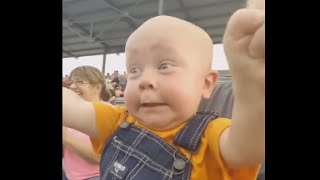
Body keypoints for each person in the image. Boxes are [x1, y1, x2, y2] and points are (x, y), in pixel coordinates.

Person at [63, 0, 265, 179]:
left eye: (164, 66)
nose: (145, 80)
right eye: (134, 70)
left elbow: (247, 148)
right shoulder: (117, 121)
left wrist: (250, 81)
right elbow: (71, 107)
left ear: (206, 84)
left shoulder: (212, 136)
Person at [63, 66, 112, 180]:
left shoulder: (108, 113)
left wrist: (66, 138)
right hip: (68, 174)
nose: (73, 86)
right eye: (72, 82)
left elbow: (100, 157)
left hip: (96, 176)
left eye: (79, 82)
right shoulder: (69, 111)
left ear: (97, 87)